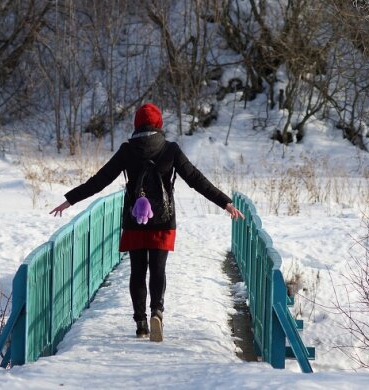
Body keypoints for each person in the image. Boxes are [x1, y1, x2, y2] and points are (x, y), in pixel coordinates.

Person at [50, 103, 244, 342]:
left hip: (134, 221)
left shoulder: (127, 150)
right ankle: (157, 313)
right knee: (158, 270)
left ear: (136, 124)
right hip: (163, 221)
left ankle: (141, 323)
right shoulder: (170, 149)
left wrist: (70, 200)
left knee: (137, 271)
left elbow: (99, 181)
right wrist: (225, 202)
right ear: (159, 124)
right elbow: (195, 179)